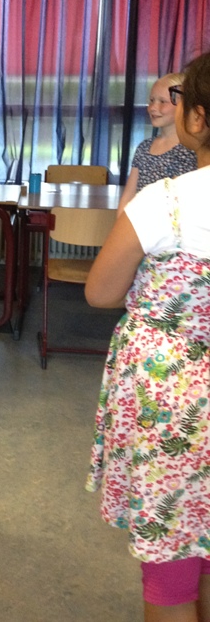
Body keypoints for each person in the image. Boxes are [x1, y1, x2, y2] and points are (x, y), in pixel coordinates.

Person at [84, 51, 210, 622]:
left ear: (198, 118)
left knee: (172, 568)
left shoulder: (168, 200)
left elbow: (100, 291)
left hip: (175, 400)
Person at [117, 72, 197, 216]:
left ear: (184, 105)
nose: (153, 107)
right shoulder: (144, 148)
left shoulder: (192, 150)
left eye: (163, 101)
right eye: (152, 100)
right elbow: (128, 196)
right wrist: (120, 222)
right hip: (140, 224)